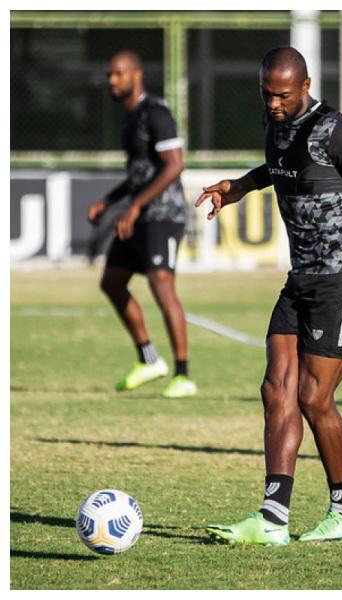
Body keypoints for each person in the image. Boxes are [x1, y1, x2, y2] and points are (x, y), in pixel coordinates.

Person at [199, 47, 342, 546]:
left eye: (282, 94)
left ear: (305, 85)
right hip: (302, 280)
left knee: (314, 398)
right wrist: (240, 186)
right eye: (266, 93)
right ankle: (273, 518)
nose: (273, 103)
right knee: (276, 389)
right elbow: (280, 168)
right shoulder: (276, 126)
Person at [87, 50, 196, 399]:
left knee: (162, 284)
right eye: (109, 75)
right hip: (139, 212)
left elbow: (174, 165)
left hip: (164, 215)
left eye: (118, 74)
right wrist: (110, 200)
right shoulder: (131, 117)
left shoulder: (156, 112)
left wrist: (133, 206)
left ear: (137, 75)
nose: (112, 81)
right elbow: (140, 173)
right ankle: (149, 359)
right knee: (113, 281)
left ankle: (183, 374)